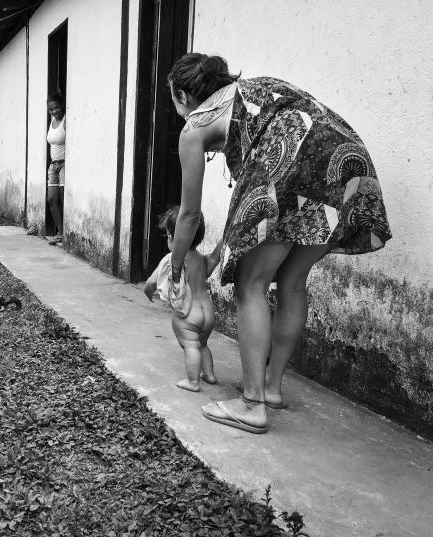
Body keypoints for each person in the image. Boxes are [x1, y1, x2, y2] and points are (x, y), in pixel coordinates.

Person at [165, 53, 392, 434]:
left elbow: (188, 216)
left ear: (184, 95)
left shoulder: (194, 126)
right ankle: (270, 388)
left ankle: (252, 404)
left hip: (296, 161)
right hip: (346, 161)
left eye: (173, 99)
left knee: (250, 283)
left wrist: (175, 268)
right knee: (292, 281)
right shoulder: (254, 88)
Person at [145, 207, 218, 392]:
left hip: (188, 314)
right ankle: (209, 375)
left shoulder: (170, 259)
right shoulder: (201, 258)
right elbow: (212, 265)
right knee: (202, 344)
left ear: (171, 236)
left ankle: (193, 382)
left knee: (190, 346)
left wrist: (148, 293)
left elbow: (151, 282)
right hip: (207, 311)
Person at [46, 92, 66, 245]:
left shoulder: (66, 120)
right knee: (52, 199)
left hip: (65, 164)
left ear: (62, 106)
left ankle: (67, 233)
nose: (54, 112)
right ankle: (61, 232)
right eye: (51, 109)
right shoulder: (52, 121)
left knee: (63, 198)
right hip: (53, 166)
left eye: (56, 108)